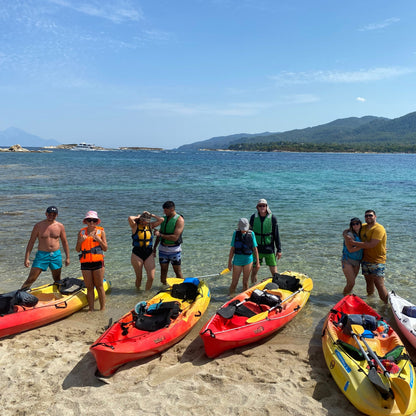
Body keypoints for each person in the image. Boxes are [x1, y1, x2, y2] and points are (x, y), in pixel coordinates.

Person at [21, 206, 70, 289]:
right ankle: (20, 295)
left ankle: (58, 295)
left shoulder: (60, 226)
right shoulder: (38, 226)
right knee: (31, 279)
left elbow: (64, 242)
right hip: (42, 255)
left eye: (54, 214)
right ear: (46, 214)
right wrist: (27, 258)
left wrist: (67, 257)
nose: (51, 216)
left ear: (57, 215)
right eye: (49, 214)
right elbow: (31, 242)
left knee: (57, 279)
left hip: (56, 255)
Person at [345, 210, 387, 303]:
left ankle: (386, 305)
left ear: (375, 216)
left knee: (379, 285)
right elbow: (349, 230)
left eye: (370, 215)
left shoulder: (378, 228)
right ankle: (370, 301)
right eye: (366, 216)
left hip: (377, 261)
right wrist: (345, 235)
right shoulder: (363, 226)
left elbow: (371, 244)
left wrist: (354, 243)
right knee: (369, 283)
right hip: (365, 260)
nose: (368, 217)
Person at [75, 210, 108, 311]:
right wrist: (81, 241)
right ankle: (91, 309)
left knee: (99, 286)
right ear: (86, 221)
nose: (92, 223)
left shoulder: (101, 232)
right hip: (85, 263)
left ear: (97, 222)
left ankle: (102, 309)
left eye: (94, 221)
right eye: (89, 220)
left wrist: (98, 240)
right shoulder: (81, 233)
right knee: (89, 287)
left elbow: (105, 248)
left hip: (98, 262)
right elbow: (77, 249)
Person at [128, 210, 164, 290]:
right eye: (142, 222)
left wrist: (151, 214)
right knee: (139, 277)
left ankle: (146, 294)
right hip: (137, 253)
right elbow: (130, 218)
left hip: (148, 252)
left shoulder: (150, 226)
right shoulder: (135, 226)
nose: (144, 224)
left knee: (151, 277)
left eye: (146, 222)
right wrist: (138, 216)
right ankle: (137, 291)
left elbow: (161, 219)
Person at [249, 199, 282, 284]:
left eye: (264, 205)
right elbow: (249, 233)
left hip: (269, 248)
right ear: (257, 207)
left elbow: (276, 234)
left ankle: (277, 286)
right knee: (254, 271)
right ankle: (253, 286)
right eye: (260, 206)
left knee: (274, 271)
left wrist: (279, 249)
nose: (262, 207)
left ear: (267, 207)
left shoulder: (272, 218)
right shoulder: (253, 217)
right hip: (257, 248)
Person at [153, 201, 185, 285]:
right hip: (162, 249)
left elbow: (175, 237)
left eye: (166, 210)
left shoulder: (179, 220)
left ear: (172, 209)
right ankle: (164, 287)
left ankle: (183, 287)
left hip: (174, 250)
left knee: (177, 271)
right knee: (163, 271)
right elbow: (159, 234)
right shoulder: (164, 218)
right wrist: (154, 248)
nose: (164, 212)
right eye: (164, 210)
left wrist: (160, 234)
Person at [227, 218, 259, 295]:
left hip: (248, 260)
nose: (244, 230)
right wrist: (229, 263)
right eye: (242, 229)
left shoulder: (251, 234)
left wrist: (257, 263)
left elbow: (255, 249)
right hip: (237, 261)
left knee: (245, 282)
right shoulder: (236, 233)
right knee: (234, 283)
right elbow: (232, 249)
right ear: (239, 226)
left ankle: (244, 298)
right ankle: (230, 298)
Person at [341, 217, 363, 295]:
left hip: (357, 261)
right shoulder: (349, 235)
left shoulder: (363, 233)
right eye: (353, 224)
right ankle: (344, 298)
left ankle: (347, 295)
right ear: (351, 225)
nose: (355, 225)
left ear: (360, 224)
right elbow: (350, 249)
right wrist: (365, 245)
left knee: (351, 283)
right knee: (351, 283)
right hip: (347, 260)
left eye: (357, 223)